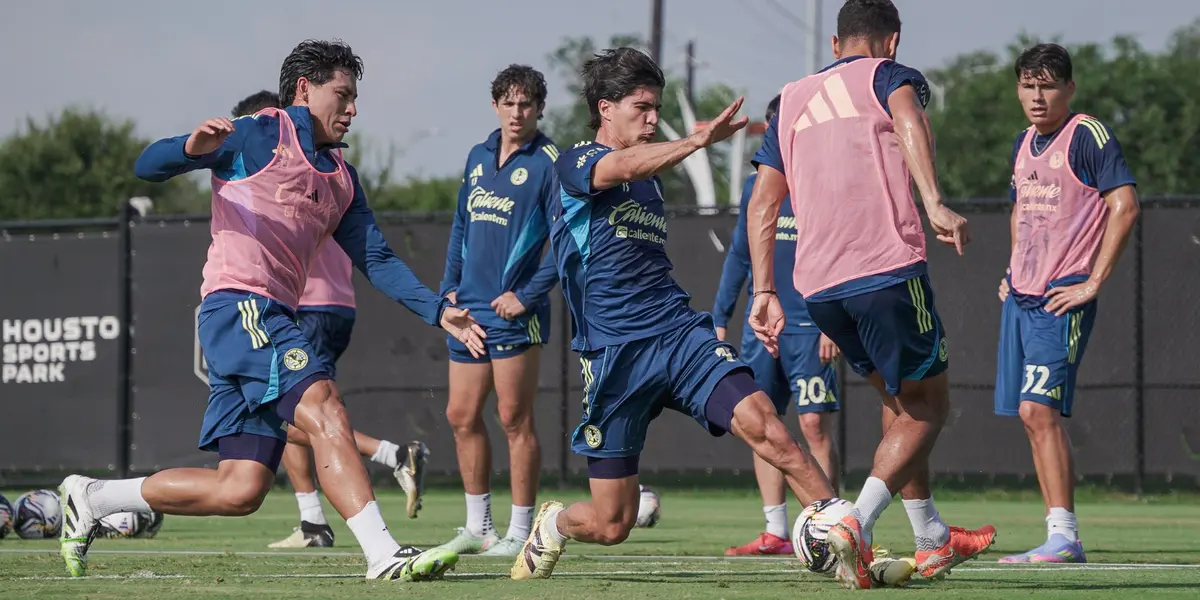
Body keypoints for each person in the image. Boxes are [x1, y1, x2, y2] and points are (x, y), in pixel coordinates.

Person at [59, 39, 481, 582]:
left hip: (265, 315)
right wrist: (190, 147)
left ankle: (93, 497)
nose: (353, 109)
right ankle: (383, 555)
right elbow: (147, 165)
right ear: (305, 89)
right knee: (325, 407)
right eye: (343, 95)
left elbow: (375, 257)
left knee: (241, 489)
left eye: (355, 98)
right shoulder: (258, 134)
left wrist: (436, 310)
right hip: (241, 307)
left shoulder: (342, 177)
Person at [508, 46, 840, 582]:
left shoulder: (652, 180)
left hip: (680, 336)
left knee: (771, 431)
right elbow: (618, 166)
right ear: (605, 108)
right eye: (641, 107)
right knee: (612, 524)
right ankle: (555, 524)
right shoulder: (573, 162)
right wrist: (695, 141)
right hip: (614, 355)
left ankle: (849, 541)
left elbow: (639, 172)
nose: (652, 118)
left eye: (657, 108)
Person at [745, 0, 995, 589]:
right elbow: (908, 119)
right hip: (884, 271)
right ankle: (853, 523)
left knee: (901, 405)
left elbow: (762, 203)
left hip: (818, 290)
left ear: (835, 45)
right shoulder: (888, 76)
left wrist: (763, 290)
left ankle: (932, 537)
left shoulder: (790, 98)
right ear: (893, 40)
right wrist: (934, 201)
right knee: (928, 406)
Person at [226, 90, 431, 549]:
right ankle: (318, 520)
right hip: (337, 306)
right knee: (298, 412)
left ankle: (379, 468)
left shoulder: (287, 170)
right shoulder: (327, 167)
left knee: (306, 410)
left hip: (305, 306)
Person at [995, 43, 1138, 564]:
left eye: (1048, 85)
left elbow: (1125, 206)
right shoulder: (1022, 141)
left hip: (1061, 298)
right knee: (1029, 415)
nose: (1037, 96)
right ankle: (1059, 534)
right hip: (1022, 296)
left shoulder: (1087, 134)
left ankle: (1064, 536)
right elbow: (1020, 211)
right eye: (1028, 85)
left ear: (1069, 88)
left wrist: (1093, 281)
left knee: (1039, 409)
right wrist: (1011, 270)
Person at [434, 65, 560, 557]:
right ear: (495, 106)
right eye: (508, 103)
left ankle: (521, 531)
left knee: (513, 418)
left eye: (526, 103)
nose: (517, 112)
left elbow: (568, 241)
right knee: (461, 415)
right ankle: (479, 528)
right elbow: (460, 226)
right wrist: (448, 289)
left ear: (540, 108)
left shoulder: (550, 162)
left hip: (514, 314)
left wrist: (526, 295)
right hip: (468, 311)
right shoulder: (477, 155)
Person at [713, 94, 842, 557]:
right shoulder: (756, 186)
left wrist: (834, 323)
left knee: (813, 424)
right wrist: (720, 318)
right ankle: (775, 531)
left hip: (811, 324)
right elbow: (739, 254)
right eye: (774, 129)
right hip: (763, 326)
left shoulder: (825, 182)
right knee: (760, 421)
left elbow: (841, 253)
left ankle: (828, 527)